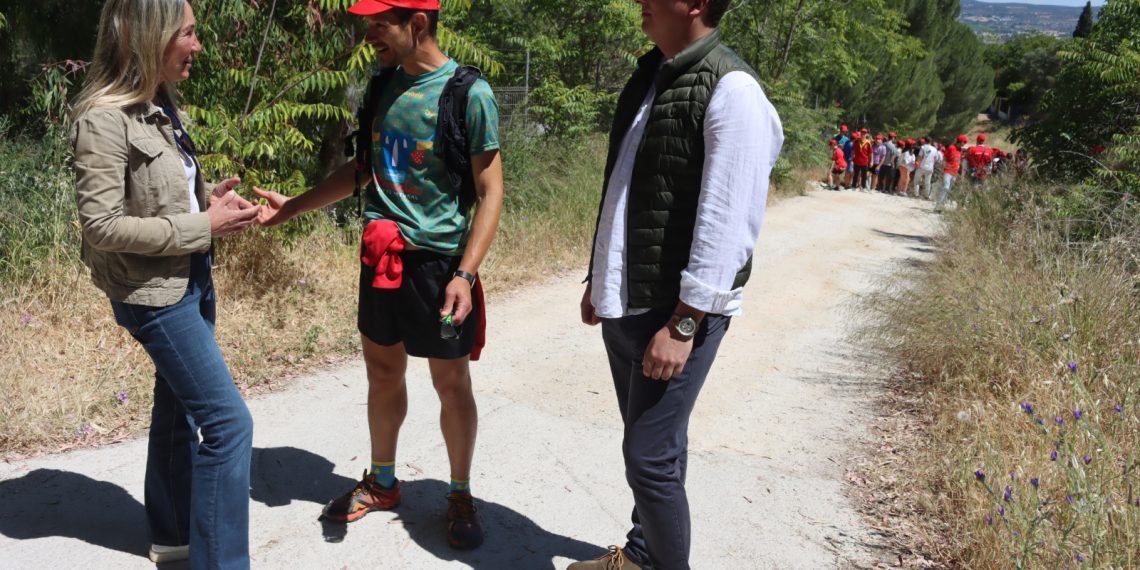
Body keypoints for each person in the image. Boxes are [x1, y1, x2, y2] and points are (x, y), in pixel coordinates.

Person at [253, 0, 503, 550]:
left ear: (417, 23)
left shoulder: (467, 93)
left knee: (451, 383)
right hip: (380, 259)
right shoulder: (381, 86)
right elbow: (363, 170)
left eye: (378, 23)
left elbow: (490, 192)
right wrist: (292, 206)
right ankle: (383, 482)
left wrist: (465, 273)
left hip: (438, 265)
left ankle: (460, 493)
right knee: (383, 374)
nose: (369, 35)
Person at [573, 0, 783, 568]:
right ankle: (643, 555)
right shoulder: (654, 72)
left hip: (675, 311)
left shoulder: (733, 90)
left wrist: (685, 322)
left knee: (647, 459)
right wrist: (602, 275)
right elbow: (626, 186)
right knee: (660, 449)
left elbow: (728, 221)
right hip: (628, 298)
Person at [70, 0, 260, 567]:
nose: (198, 45)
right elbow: (101, 225)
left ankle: (175, 536)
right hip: (153, 295)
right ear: (150, 37)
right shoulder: (101, 119)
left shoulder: (160, 104)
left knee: (179, 406)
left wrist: (208, 201)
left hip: (191, 276)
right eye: (189, 34)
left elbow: (156, 195)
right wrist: (204, 224)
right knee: (229, 426)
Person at [937, 135, 968, 210]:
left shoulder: (960, 150)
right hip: (948, 171)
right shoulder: (951, 147)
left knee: (948, 189)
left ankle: (942, 205)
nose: (964, 144)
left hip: (954, 173)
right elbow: (944, 158)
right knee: (946, 187)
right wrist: (943, 168)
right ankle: (939, 206)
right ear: (960, 142)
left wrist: (959, 172)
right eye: (964, 142)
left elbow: (958, 161)